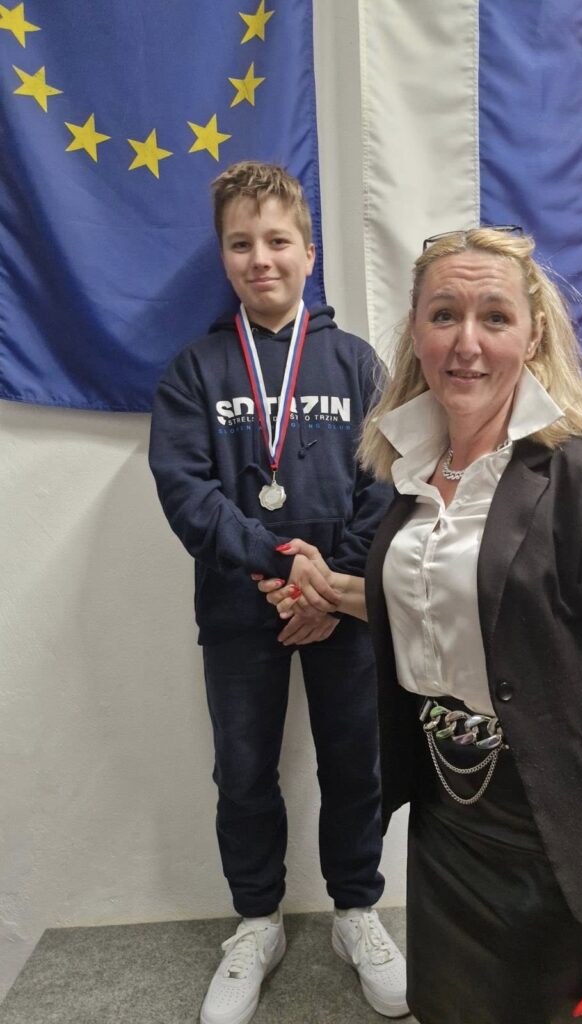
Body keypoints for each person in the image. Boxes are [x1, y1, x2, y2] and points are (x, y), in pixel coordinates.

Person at [257, 227, 582, 1024]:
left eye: (495, 317)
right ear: (416, 332)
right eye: (444, 315)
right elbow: (467, 608)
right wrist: (337, 591)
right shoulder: (412, 472)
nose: (466, 342)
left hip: (562, 832)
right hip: (449, 822)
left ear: (533, 335)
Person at [148, 162, 408, 1024]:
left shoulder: (357, 363)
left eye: (277, 241)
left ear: (309, 252)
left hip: (347, 608)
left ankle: (356, 912)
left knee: (357, 765)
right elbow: (186, 492)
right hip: (238, 608)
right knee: (245, 770)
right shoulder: (195, 370)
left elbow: (386, 481)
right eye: (241, 243)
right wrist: (278, 568)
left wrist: (328, 589)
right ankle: (257, 922)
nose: (261, 258)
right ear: (222, 255)